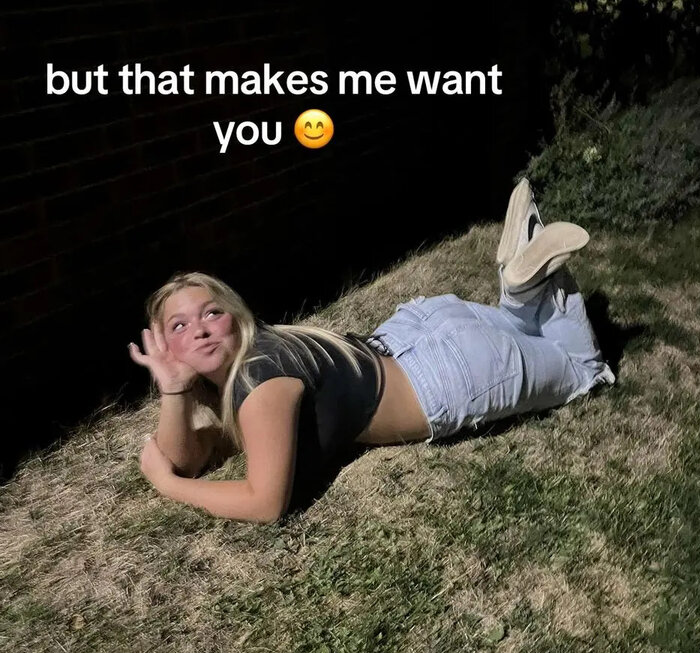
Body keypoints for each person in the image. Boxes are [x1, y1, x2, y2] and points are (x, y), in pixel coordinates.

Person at [130, 180, 615, 522]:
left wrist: (170, 487)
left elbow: (265, 503)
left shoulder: (260, 380)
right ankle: (519, 287)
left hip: (446, 375)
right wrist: (174, 389)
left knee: (582, 366)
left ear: (235, 316)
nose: (200, 330)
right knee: (520, 331)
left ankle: (523, 286)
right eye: (180, 325)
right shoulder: (258, 359)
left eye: (211, 313)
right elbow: (195, 454)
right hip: (415, 332)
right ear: (165, 342)